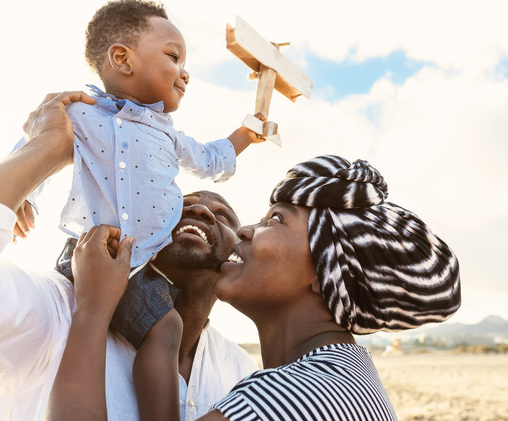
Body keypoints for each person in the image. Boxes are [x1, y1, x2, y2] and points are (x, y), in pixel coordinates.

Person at [0, 91, 258, 421]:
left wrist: (245, 134)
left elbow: (213, 156)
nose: (202, 210)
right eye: (180, 204)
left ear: (236, 251)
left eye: (222, 215)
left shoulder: (241, 371)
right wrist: (45, 151)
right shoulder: (52, 313)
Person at [56, 154, 462, 420]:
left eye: (276, 220)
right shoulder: (344, 379)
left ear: (326, 274)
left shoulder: (293, 397)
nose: (247, 230)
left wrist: (93, 309)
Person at [11, 0, 264, 420]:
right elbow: (37, 146)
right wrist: (23, 194)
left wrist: (244, 134)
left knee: (166, 326)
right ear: (122, 59)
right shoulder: (80, 113)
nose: (185, 71)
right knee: (167, 328)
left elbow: (210, 159)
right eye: (173, 56)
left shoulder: (168, 134)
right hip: (94, 253)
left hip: (141, 261)